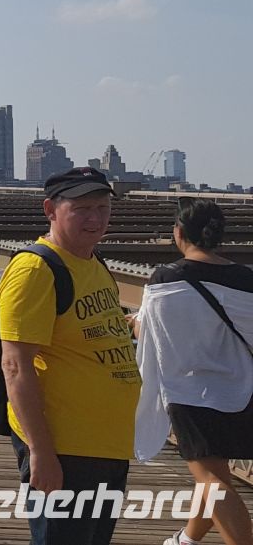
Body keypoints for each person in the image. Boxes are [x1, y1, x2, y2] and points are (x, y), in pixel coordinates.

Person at [0, 167, 138, 545]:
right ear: (50, 209)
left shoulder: (95, 265)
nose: (95, 219)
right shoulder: (36, 269)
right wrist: (40, 451)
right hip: (64, 448)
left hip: (107, 445)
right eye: (81, 208)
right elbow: (15, 365)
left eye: (103, 207)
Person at [136, 199, 253, 545]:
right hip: (239, 388)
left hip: (188, 391)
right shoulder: (246, 278)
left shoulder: (166, 278)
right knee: (213, 473)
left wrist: (134, 325)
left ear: (178, 233)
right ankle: (187, 539)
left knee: (211, 480)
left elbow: (152, 332)